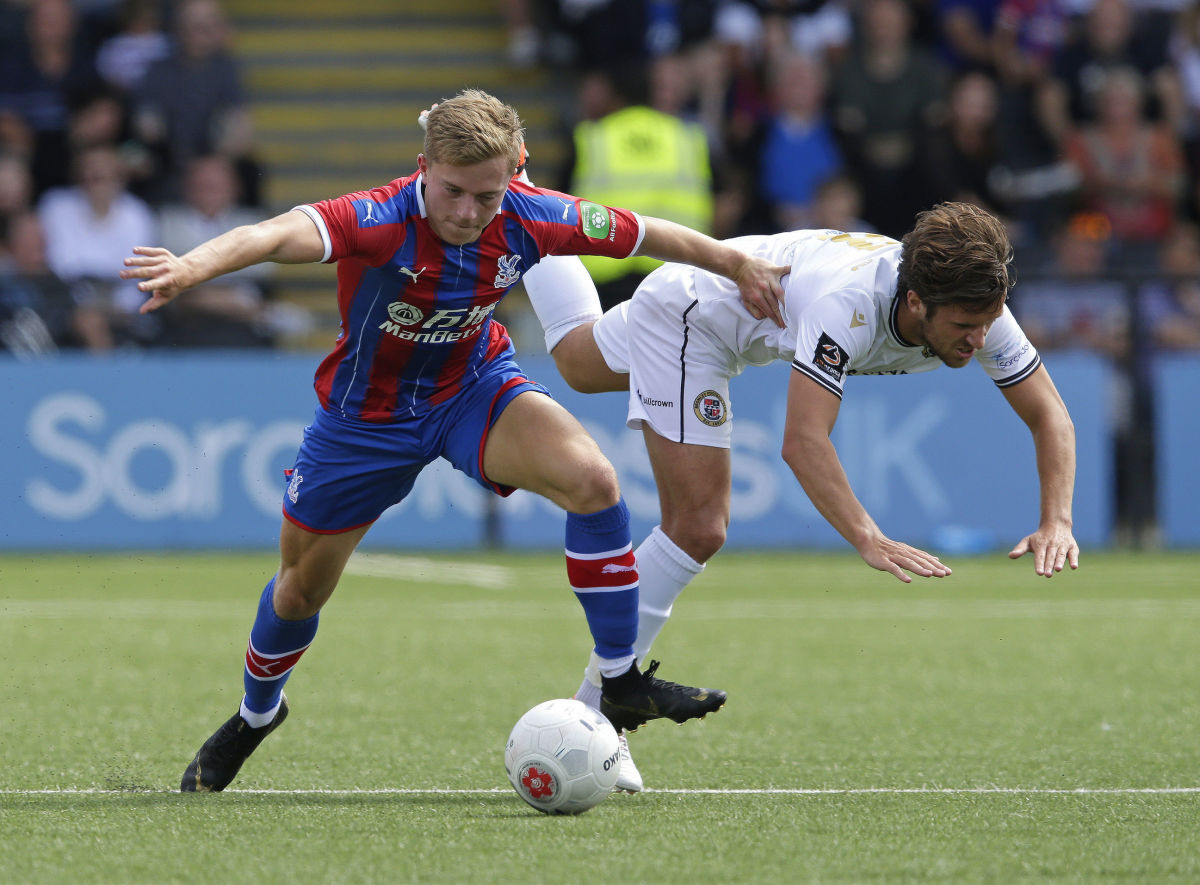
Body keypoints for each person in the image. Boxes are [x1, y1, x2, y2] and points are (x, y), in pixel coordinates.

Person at [120, 89, 788, 794]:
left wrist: (735, 265)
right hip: (365, 422)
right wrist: (193, 267)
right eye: (453, 192)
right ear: (422, 169)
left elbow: (649, 232)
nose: (468, 212)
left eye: (487, 196)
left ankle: (619, 679)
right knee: (299, 591)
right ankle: (256, 714)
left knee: (591, 479)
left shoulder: (535, 215)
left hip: (472, 389)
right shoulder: (377, 217)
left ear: (512, 178)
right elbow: (277, 232)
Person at [521, 201, 1079, 790]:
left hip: (697, 301)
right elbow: (803, 442)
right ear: (916, 301)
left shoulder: (970, 304)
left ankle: (521, 210)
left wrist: (1057, 520)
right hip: (692, 321)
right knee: (699, 526)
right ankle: (597, 716)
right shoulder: (851, 306)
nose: (980, 340)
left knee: (578, 360)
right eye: (966, 326)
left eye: (987, 322)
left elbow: (1051, 416)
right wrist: (867, 535)